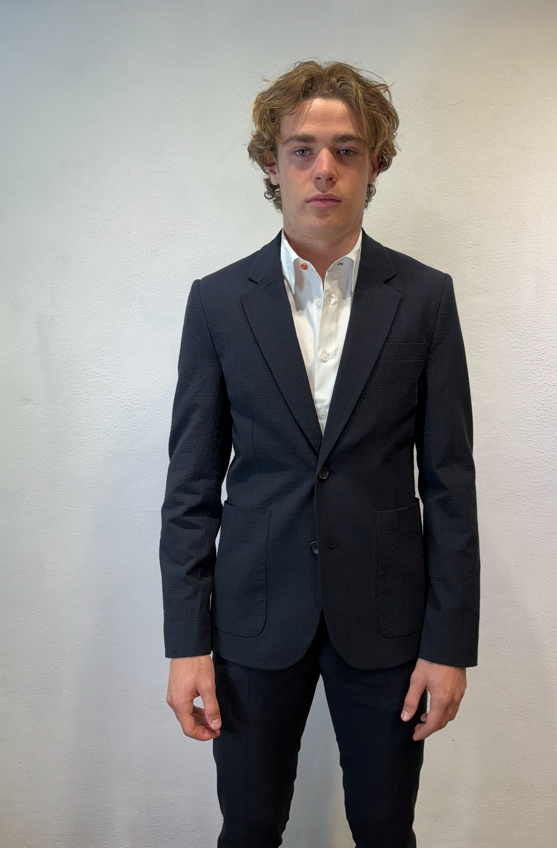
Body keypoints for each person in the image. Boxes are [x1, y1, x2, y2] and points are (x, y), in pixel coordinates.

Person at [159, 59, 480, 848]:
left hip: (387, 619)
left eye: (347, 149)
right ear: (273, 165)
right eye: (302, 149)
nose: (324, 168)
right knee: (250, 826)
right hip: (254, 615)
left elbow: (450, 482)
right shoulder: (218, 302)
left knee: (383, 826)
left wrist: (449, 645)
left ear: (375, 164)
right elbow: (191, 487)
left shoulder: (425, 298)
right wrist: (187, 643)